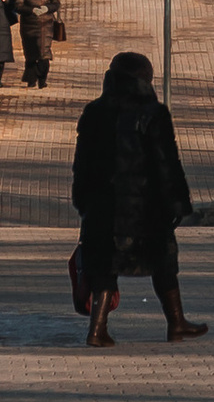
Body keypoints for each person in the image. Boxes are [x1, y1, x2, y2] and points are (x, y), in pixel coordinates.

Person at [71, 49, 203, 347]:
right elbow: (167, 163)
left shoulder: (94, 112)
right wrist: (178, 204)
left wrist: (82, 201)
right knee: (164, 263)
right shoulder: (154, 113)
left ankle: (97, 330)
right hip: (146, 207)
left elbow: (82, 163)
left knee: (104, 266)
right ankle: (176, 322)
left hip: (102, 207)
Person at [15, 0, 55, 90]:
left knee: (44, 53)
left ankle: (42, 80)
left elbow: (56, 4)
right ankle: (31, 79)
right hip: (28, 26)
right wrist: (32, 10)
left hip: (45, 26)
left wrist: (47, 8)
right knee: (31, 54)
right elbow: (18, 6)